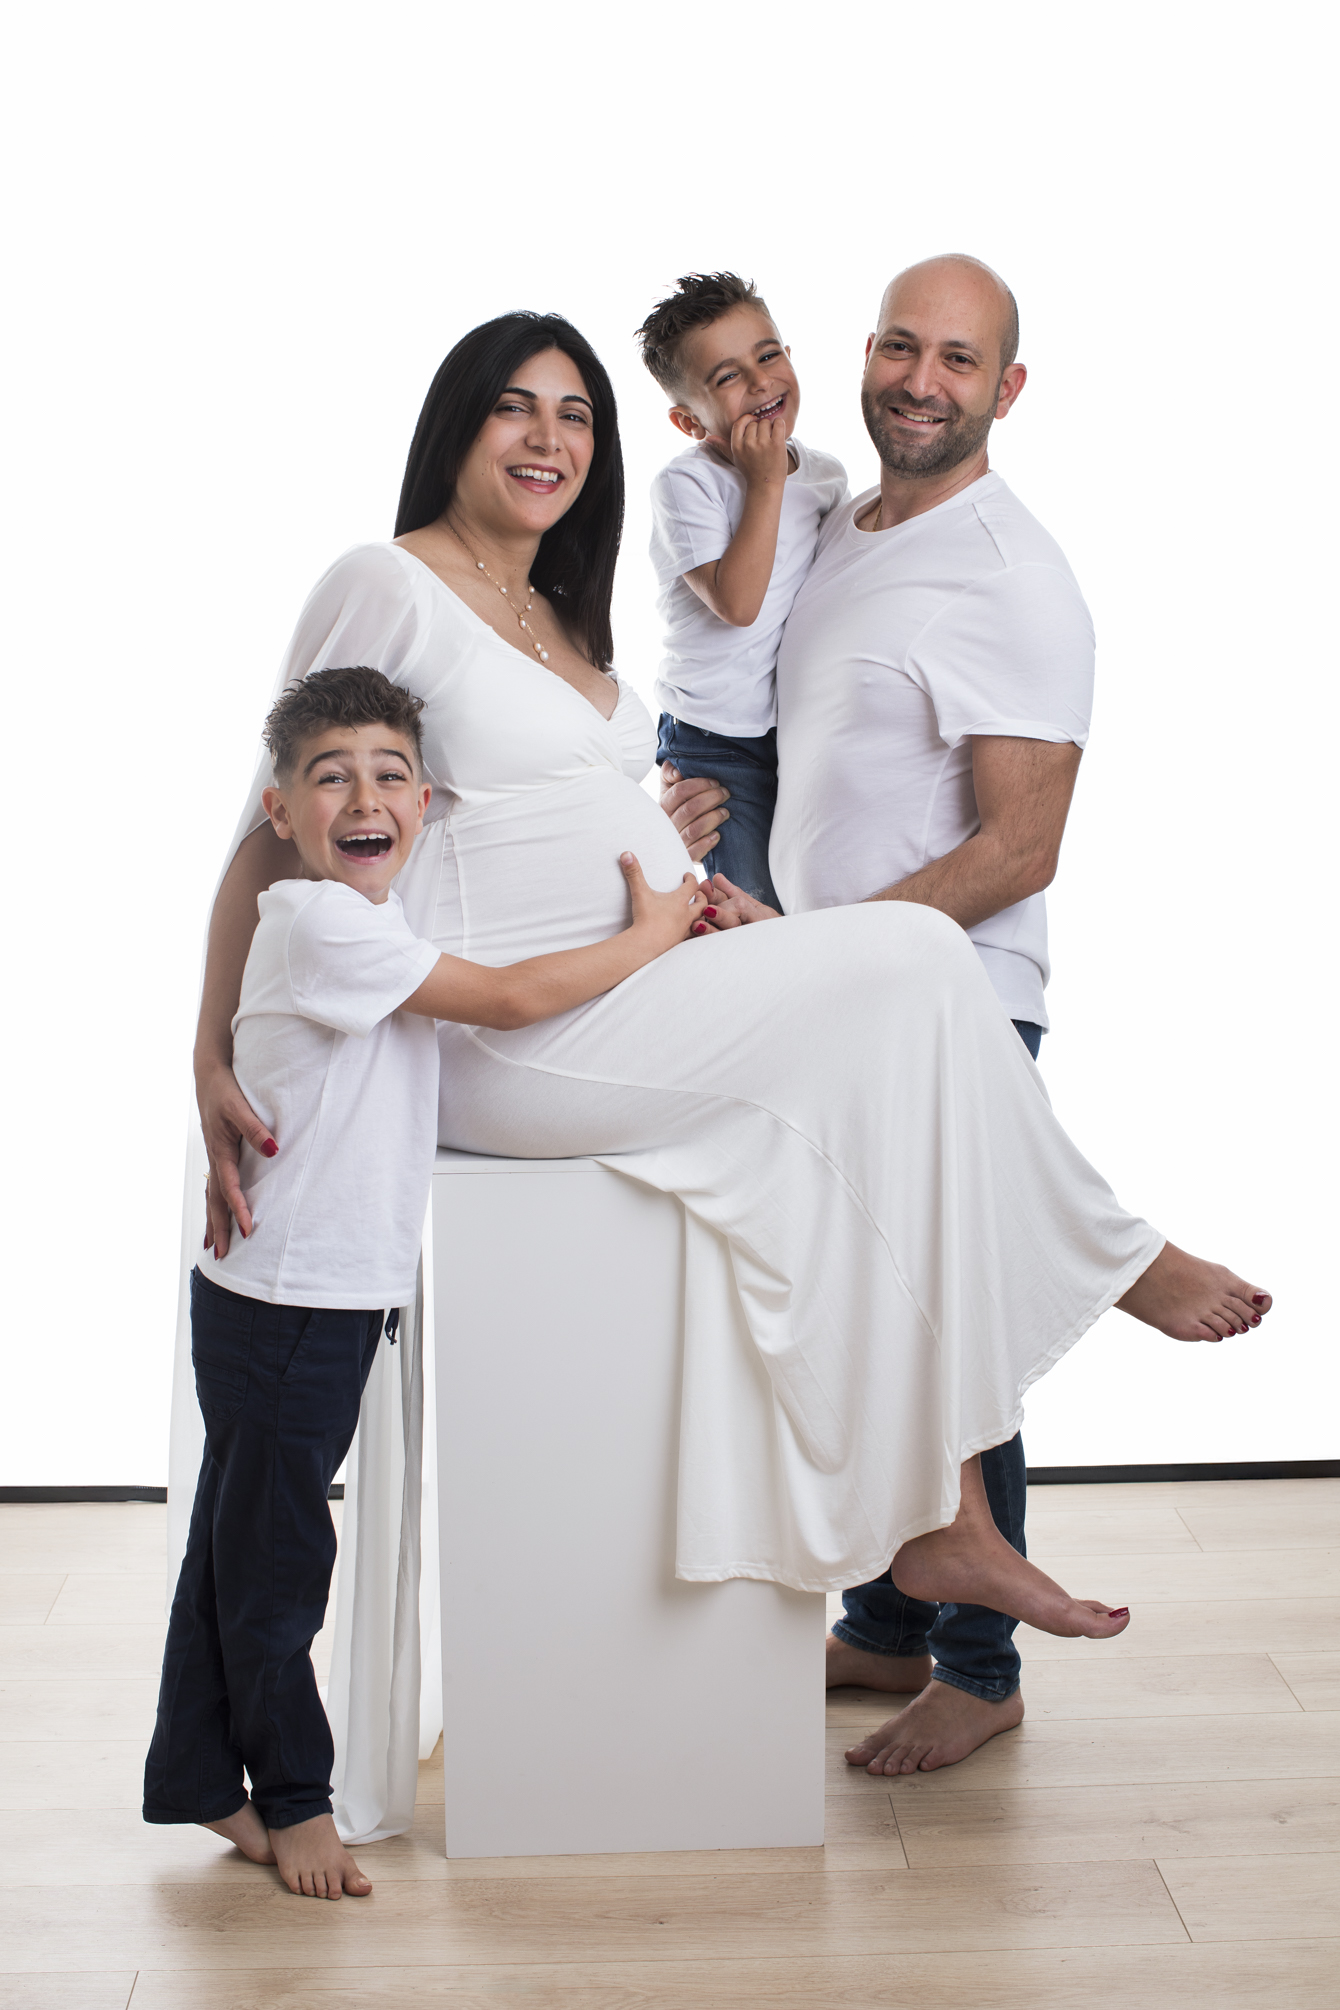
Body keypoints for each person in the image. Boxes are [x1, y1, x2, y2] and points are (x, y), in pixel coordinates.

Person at [191, 311, 1269, 1769]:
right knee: (903, 953)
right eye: (514, 409)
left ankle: (947, 1515)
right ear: (455, 427)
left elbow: (527, 811)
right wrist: (211, 1052)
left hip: (620, 988)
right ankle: (1112, 1264)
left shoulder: (561, 618)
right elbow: (266, 840)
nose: (548, 440)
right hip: (507, 1039)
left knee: (900, 1023)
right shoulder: (383, 584)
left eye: (575, 415)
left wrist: (657, 850)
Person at [662, 256, 1268, 1778]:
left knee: (943, 1317)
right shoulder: (837, 525)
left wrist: (833, 953)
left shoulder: (1015, 575)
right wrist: (695, 804)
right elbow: (787, 736)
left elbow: (1021, 846)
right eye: (898, 344)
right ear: (860, 355)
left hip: (943, 997)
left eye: (958, 357)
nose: (918, 378)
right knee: (876, 1297)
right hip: (834, 989)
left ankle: (982, 1665)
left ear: (1008, 389)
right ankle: (883, 1617)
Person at [148, 665, 707, 1898]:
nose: (367, 796)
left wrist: (634, 814)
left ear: (425, 796)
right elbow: (506, 1001)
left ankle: (197, 1775)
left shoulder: (362, 907)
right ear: (278, 813)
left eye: (392, 777)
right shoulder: (322, 923)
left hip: (299, 1292)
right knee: (280, 1560)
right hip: (293, 1299)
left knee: (241, 1545)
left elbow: (490, 820)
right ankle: (296, 1800)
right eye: (330, 776)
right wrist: (652, 928)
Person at [636, 273, 846, 907]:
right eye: (727, 377)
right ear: (687, 419)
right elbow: (739, 604)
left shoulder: (827, 477)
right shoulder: (687, 486)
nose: (760, 383)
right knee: (752, 906)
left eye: (769, 354)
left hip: (795, 728)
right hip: (715, 739)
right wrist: (765, 484)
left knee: (809, 895)